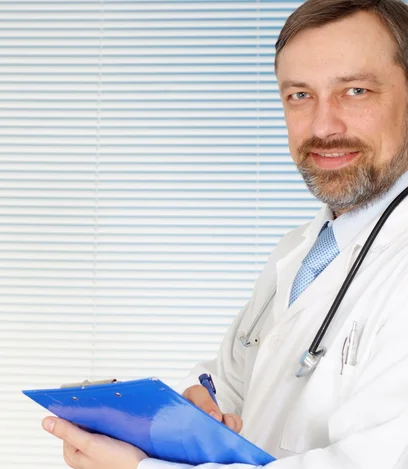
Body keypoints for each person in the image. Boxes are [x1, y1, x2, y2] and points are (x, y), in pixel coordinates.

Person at [40, 1, 408, 467]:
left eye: (355, 90)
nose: (322, 126)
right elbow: (235, 392)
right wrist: (192, 415)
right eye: (299, 95)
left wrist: (141, 467)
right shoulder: (301, 251)